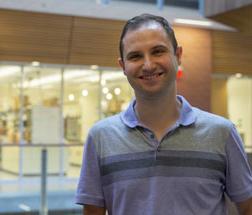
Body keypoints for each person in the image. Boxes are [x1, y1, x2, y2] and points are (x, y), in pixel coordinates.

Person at [75, 13, 252, 215]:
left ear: (178, 55)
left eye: (158, 51)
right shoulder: (101, 137)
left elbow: (247, 208)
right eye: (135, 56)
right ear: (123, 66)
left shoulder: (222, 133)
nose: (148, 65)